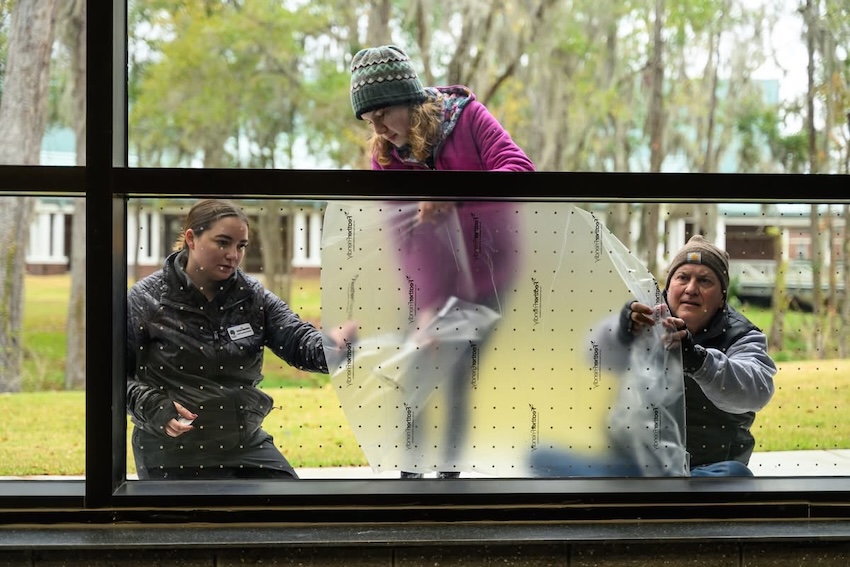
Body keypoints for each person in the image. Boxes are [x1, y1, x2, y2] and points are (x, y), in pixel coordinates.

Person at [348, 45, 535, 478]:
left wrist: (455, 193)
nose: (376, 127)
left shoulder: (466, 115)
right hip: (435, 279)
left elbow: (520, 170)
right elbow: (405, 239)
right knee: (415, 373)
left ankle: (448, 480)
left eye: (382, 113)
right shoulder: (385, 158)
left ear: (409, 101)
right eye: (368, 119)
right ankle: (410, 478)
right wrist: (426, 305)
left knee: (455, 375)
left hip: (492, 274)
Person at [126, 199, 351, 480]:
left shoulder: (252, 296)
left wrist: (339, 346)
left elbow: (299, 343)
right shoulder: (145, 299)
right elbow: (112, 378)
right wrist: (152, 406)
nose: (233, 254)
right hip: (170, 447)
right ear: (191, 239)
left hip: (244, 444)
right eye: (223, 242)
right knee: (197, 523)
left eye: (241, 246)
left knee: (295, 509)